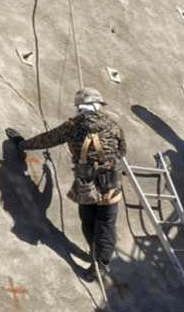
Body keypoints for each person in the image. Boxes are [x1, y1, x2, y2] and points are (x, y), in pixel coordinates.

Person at [12, 88, 126, 281]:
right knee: (106, 224)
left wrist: (21, 144)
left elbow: (46, 139)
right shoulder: (114, 126)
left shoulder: (72, 126)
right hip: (110, 182)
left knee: (88, 220)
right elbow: (122, 151)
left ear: (79, 108)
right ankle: (99, 265)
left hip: (86, 182)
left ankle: (95, 253)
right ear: (98, 106)